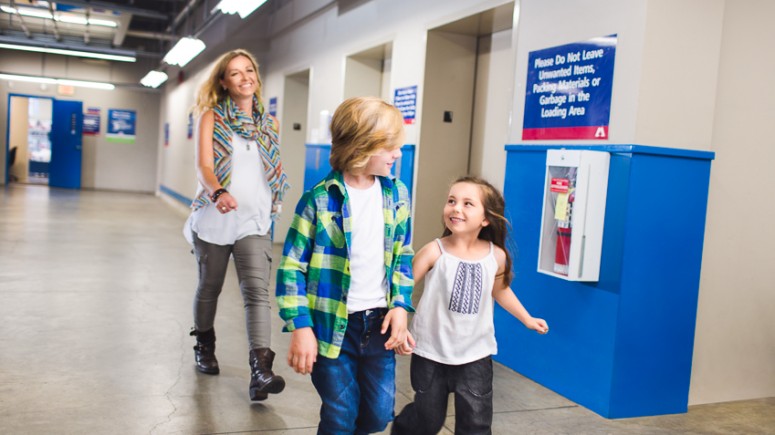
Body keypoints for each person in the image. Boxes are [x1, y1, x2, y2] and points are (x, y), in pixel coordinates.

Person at [276, 96, 414, 434]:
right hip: (331, 326)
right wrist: (301, 327)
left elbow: (403, 255)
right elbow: (291, 267)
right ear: (362, 146)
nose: (398, 153)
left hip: (378, 325)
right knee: (340, 414)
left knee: (379, 414)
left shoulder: (397, 194)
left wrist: (400, 306)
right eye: (391, 146)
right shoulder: (320, 200)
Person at [392, 176, 549, 435]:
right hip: (430, 353)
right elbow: (403, 288)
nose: (456, 208)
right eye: (452, 201)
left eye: (468, 204)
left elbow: (500, 290)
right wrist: (400, 324)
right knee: (427, 420)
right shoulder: (434, 251)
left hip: (475, 355)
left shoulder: (496, 256)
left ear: (486, 219)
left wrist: (527, 319)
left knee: (476, 424)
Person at [184, 48, 290, 402]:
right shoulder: (211, 117)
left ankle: (260, 371)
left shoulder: (270, 124)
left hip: (253, 220)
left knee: (257, 294)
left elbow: (270, 169)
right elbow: (204, 166)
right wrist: (218, 192)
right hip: (216, 216)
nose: (245, 77)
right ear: (224, 83)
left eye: (250, 70)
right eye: (235, 73)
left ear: (257, 78)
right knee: (209, 286)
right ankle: (204, 344)